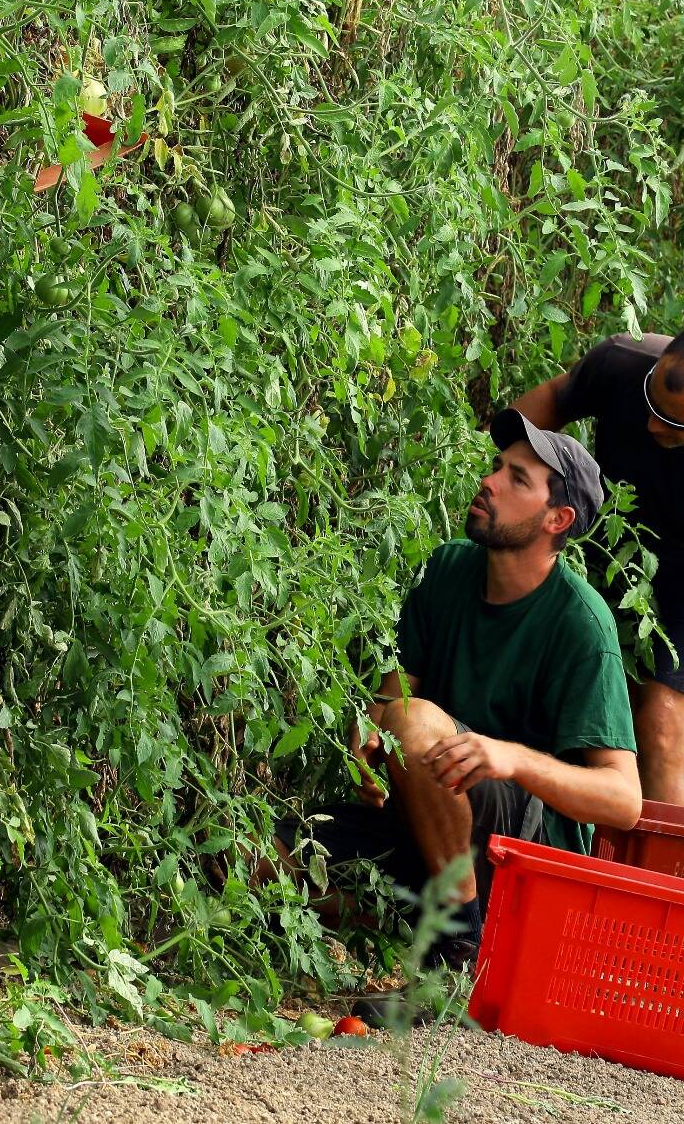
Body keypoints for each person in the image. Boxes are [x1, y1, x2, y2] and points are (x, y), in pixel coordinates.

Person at [274, 409, 641, 971]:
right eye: (497, 467)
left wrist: (512, 759)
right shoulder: (446, 571)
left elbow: (624, 802)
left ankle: (459, 947)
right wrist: (370, 746)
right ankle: (440, 935)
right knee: (257, 856)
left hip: (524, 855)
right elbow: (390, 706)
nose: (489, 482)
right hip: (432, 824)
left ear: (557, 519)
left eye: (517, 479)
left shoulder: (581, 624)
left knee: (415, 724)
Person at [508, 322, 684, 819]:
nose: (654, 427)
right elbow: (553, 401)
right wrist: (492, 473)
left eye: (677, 425)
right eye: (651, 406)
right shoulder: (622, 361)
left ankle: (653, 881)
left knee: (659, 726)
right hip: (600, 535)